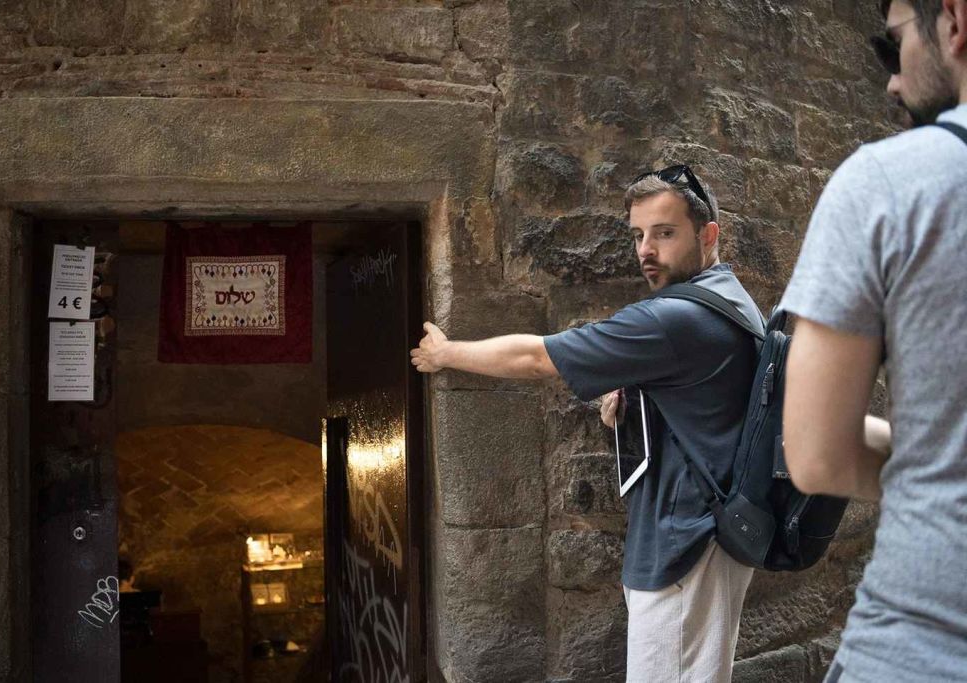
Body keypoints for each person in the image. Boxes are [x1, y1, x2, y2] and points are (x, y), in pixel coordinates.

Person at [412, 165, 764, 681]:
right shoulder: (730, 300)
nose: (646, 250)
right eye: (638, 235)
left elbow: (536, 358)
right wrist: (635, 400)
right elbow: (706, 403)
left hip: (683, 547)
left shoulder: (676, 319)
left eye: (665, 233)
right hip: (705, 540)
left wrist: (446, 353)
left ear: (708, 235)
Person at [780, 1, 967, 681]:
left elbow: (816, 453)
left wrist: (935, 465)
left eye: (894, 45)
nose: (891, 80)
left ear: (954, 21)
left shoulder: (888, 182)